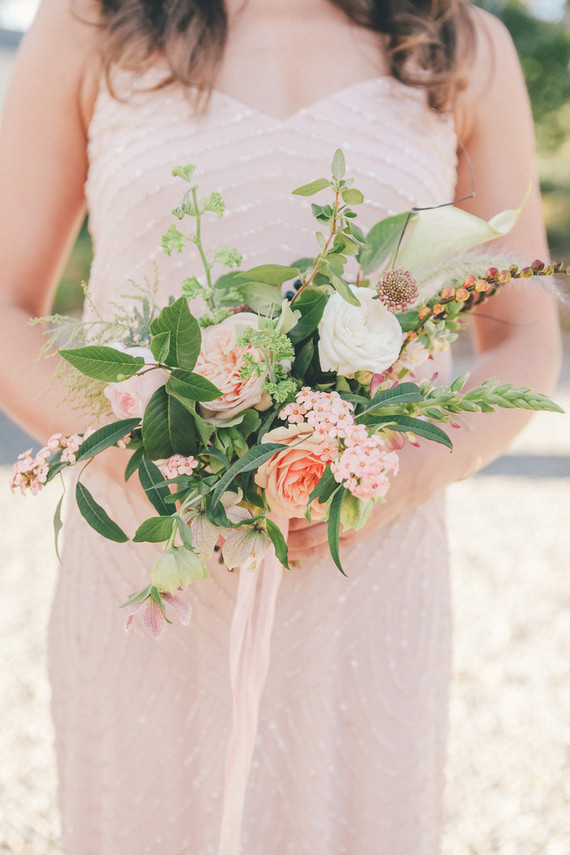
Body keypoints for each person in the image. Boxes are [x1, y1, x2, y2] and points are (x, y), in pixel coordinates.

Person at [0, 0, 561, 853]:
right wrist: (147, 463)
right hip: (152, 571)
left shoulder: (458, 45)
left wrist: (410, 474)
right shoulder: (92, 22)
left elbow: (523, 330)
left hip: (365, 582)